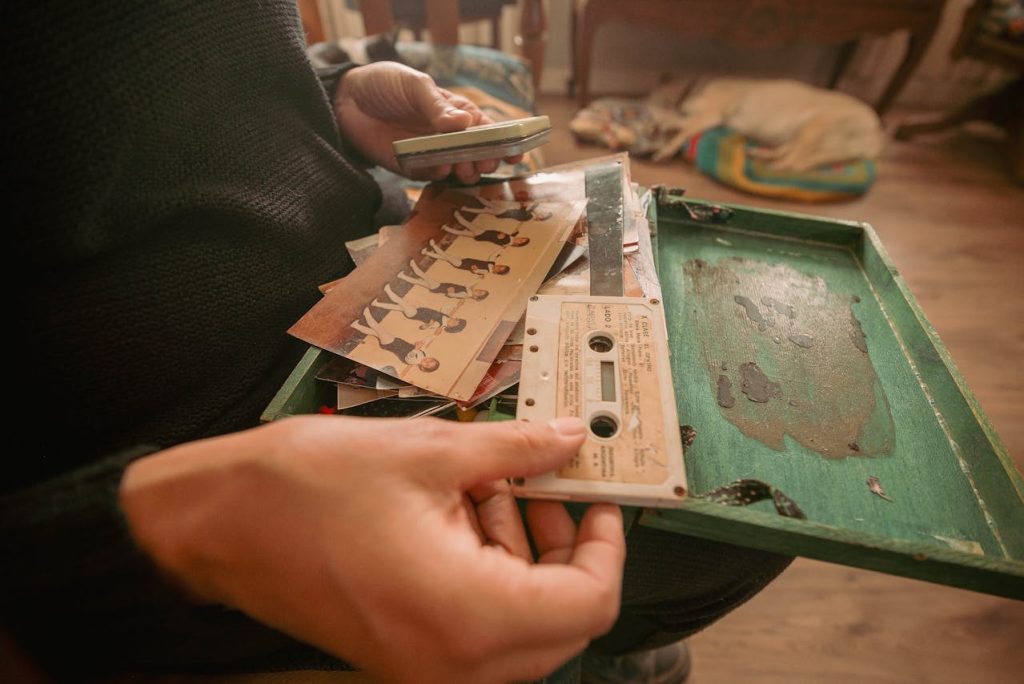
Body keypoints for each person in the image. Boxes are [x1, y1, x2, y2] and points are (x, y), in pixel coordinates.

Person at [4, 3, 791, 683]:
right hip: (202, 436)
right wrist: (179, 524)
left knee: (735, 396)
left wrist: (332, 101)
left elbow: (170, 91)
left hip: (366, 234)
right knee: (735, 514)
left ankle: (614, 644)